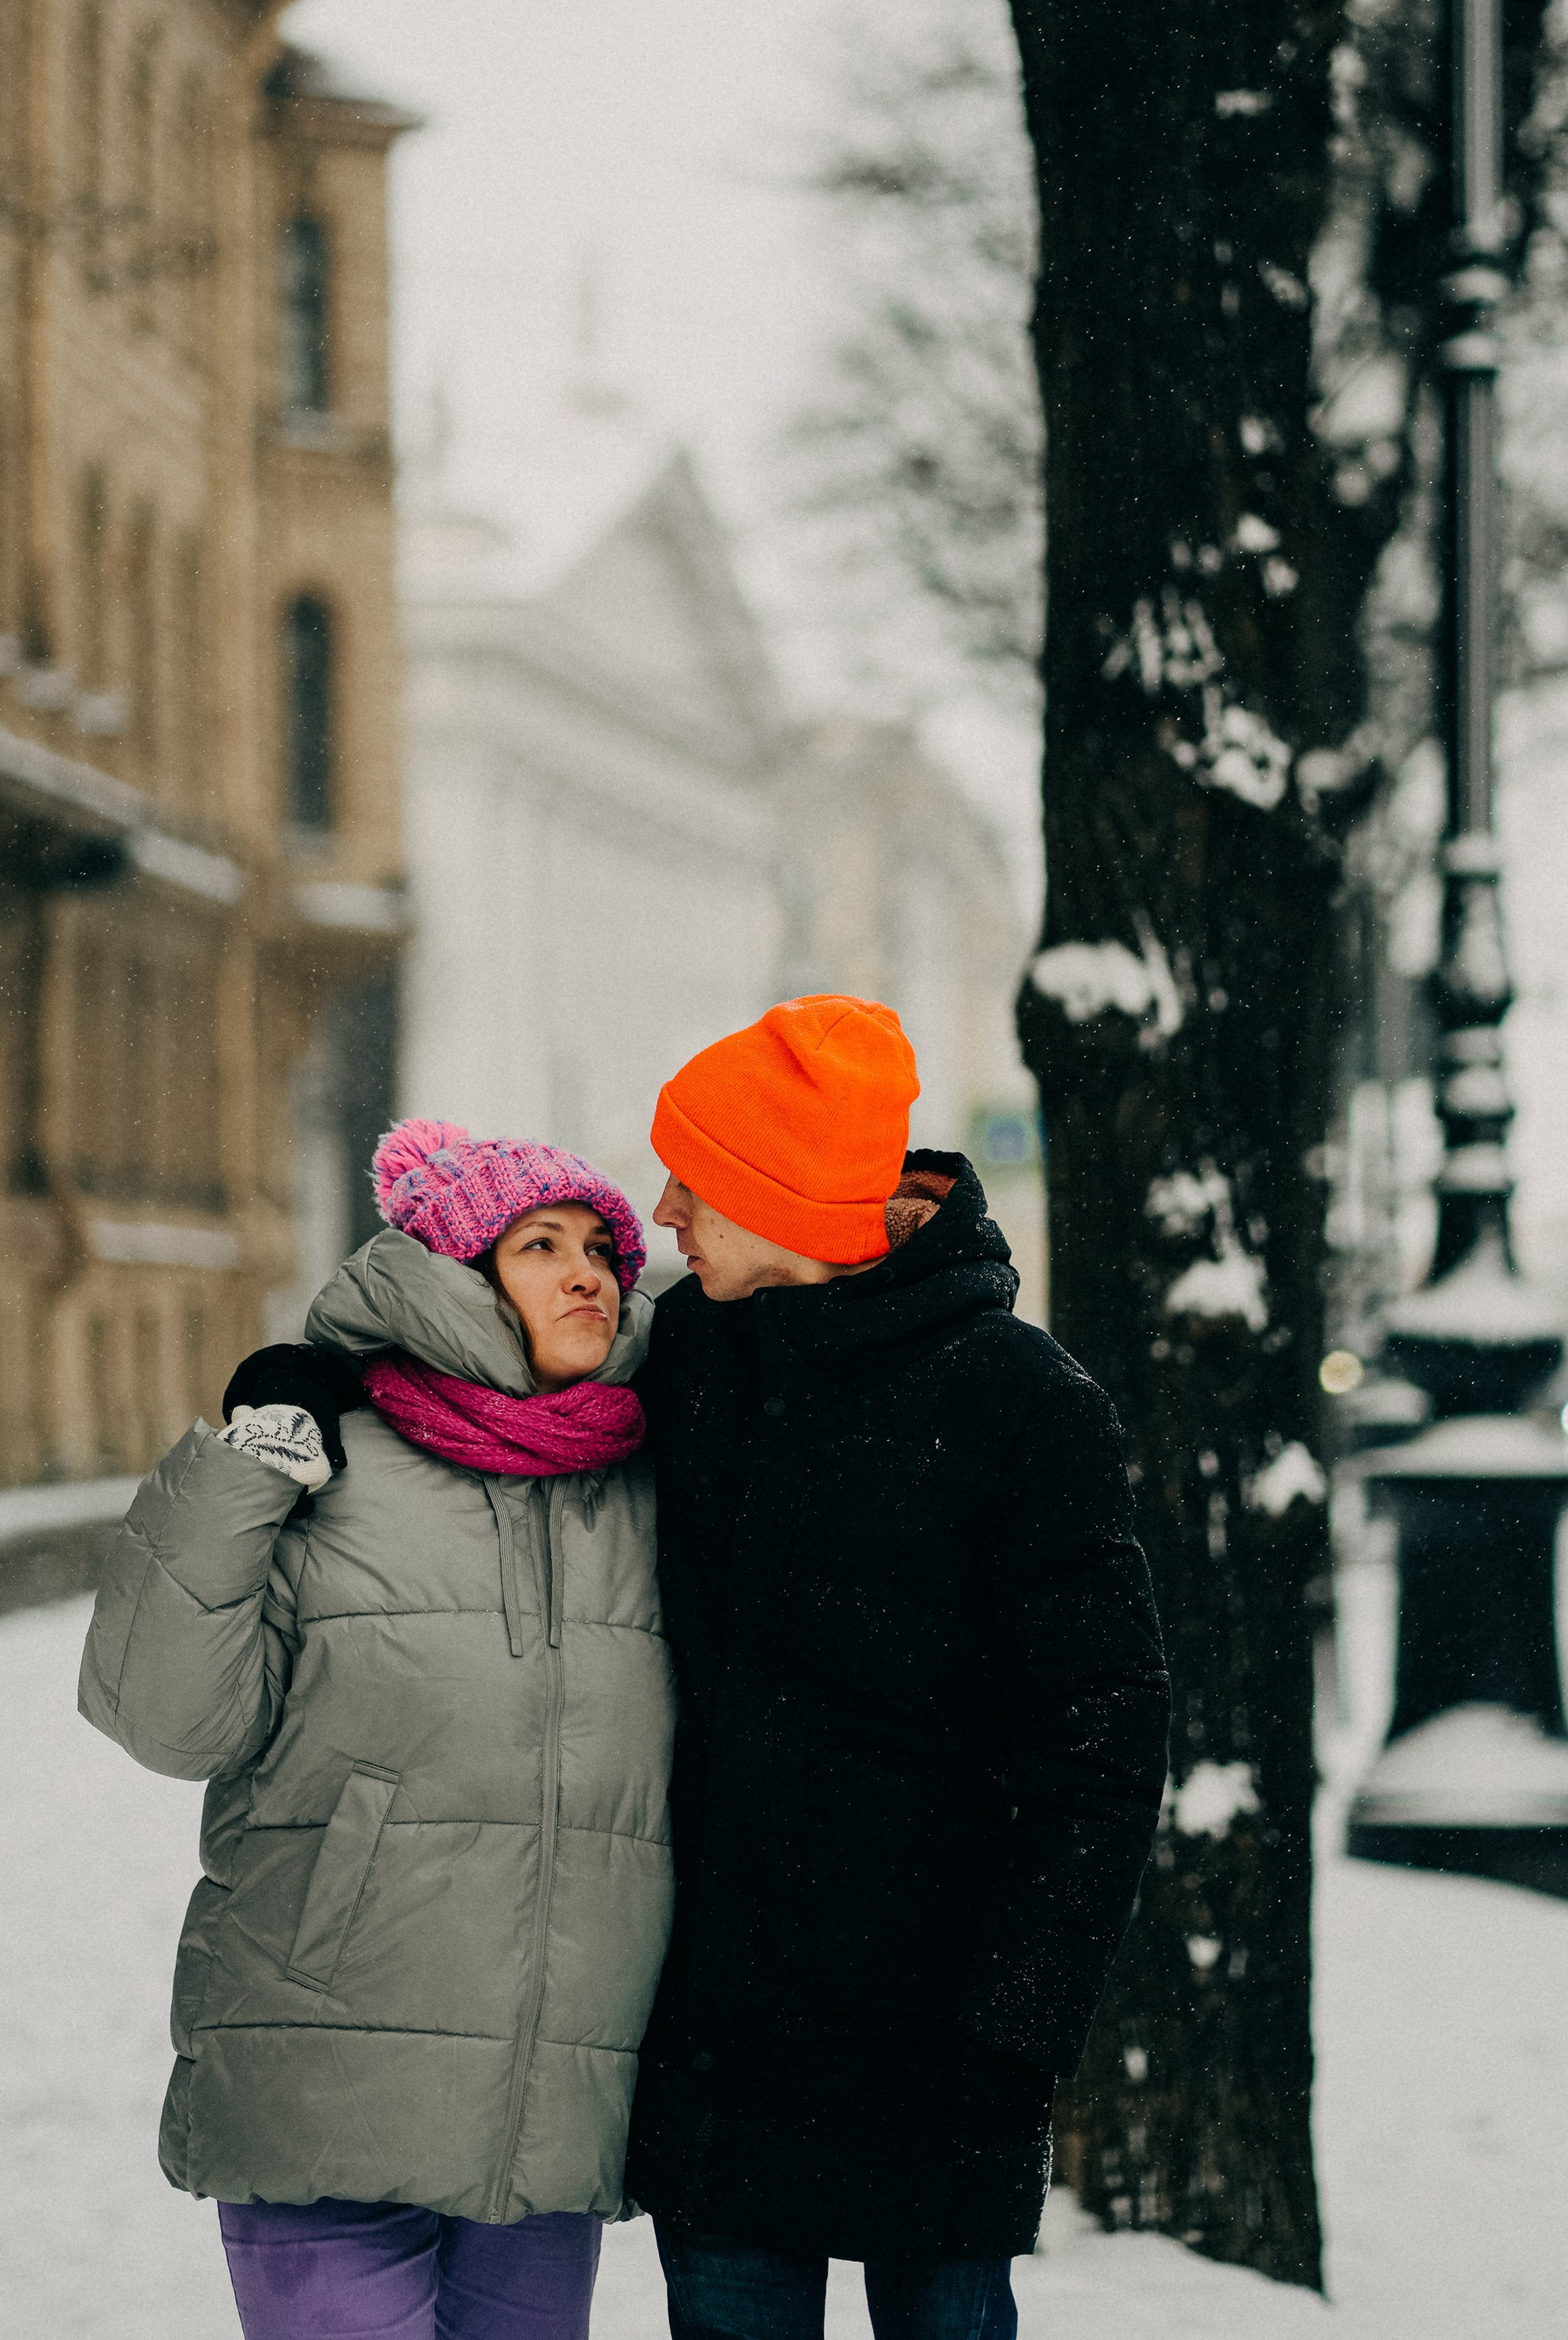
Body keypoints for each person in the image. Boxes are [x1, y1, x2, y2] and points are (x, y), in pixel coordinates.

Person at [624, 994, 1170, 2340]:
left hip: (940, 2049)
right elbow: (486, 1378)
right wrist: (315, 1373)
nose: (663, 1213)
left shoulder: (1021, 1402)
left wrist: (1017, 2029)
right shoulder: (688, 1358)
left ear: (782, 1197)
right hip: (726, 2046)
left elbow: (1102, 1732)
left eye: (694, 1180)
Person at [78, 1122, 676, 2340]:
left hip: (550, 2102)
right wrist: (248, 1469)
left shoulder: (655, 1479)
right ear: (455, 1274)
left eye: (604, 1251)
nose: (589, 1275)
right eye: (539, 1246)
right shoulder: (328, 1458)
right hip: (326, 2071)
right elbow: (165, 1717)